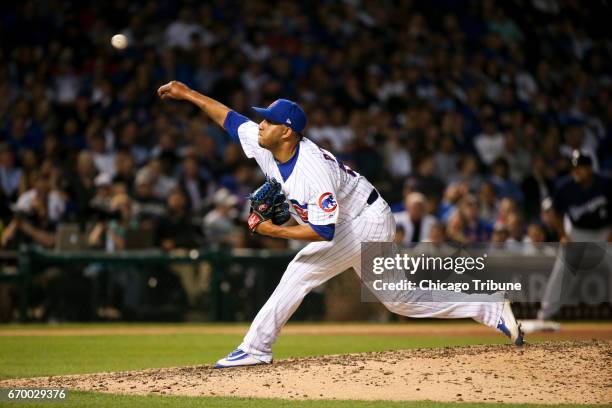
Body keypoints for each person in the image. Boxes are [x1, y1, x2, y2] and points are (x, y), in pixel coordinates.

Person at [157, 80, 524, 368]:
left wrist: (274, 231)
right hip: (361, 216)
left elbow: (324, 232)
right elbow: (229, 118)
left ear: (286, 131)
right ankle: (488, 307)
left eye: (268, 120)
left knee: (300, 270)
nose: (260, 124)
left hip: (365, 221)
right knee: (399, 300)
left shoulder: (310, 170)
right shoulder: (269, 142)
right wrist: (187, 94)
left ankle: (255, 348)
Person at [522, 151, 611, 333]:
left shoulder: (606, 183)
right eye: (574, 168)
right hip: (577, 232)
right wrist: (563, 234)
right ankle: (544, 316)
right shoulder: (566, 187)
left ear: (589, 168)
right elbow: (554, 212)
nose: (576, 172)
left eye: (580, 168)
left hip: (604, 231)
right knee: (562, 269)